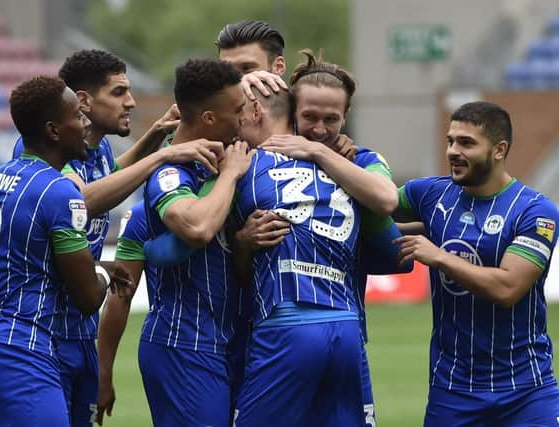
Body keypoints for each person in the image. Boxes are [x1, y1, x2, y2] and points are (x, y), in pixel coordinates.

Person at [11, 49, 221, 427]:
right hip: (43, 335)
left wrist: (155, 136)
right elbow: (81, 201)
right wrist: (161, 157)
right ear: (85, 102)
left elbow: (107, 179)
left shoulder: (97, 148)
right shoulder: (49, 151)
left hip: (79, 331)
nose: (132, 101)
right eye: (119, 91)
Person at [231, 50, 398, 426]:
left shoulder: (250, 162)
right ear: (291, 109)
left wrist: (318, 151)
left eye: (331, 120)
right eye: (309, 117)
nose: (320, 129)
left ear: (346, 117)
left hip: (287, 325)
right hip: (344, 327)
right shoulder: (355, 164)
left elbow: (387, 199)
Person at [395, 101, 559, 426]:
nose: (453, 151)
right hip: (453, 390)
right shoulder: (430, 195)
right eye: (450, 141)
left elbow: (509, 287)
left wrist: (440, 256)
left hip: (526, 390)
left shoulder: (536, 212)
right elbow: (371, 204)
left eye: (467, 143)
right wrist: (344, 155)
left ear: (499, 150)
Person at [0, 76, 131, 426]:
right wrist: (100, 272)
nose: (85, 123)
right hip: (25, 347)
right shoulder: (59, 192)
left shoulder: (0, 177)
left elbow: (27, 252)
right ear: (54, 130)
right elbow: (86, 297)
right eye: (76, 116)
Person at [137, 58, 254, 427]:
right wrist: (232, 174)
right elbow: (197, 227)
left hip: (219, 341)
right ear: (207, 119)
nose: (243, 119)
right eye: (237, 111)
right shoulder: (170, 173)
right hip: (183, 343)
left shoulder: (212, 165)